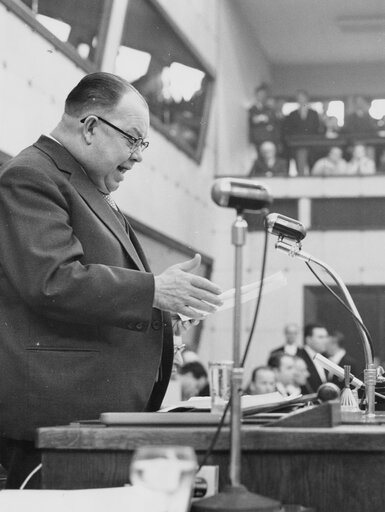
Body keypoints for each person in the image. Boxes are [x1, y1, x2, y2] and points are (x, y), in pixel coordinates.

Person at [0, 72, 223, 488]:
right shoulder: (30, 176)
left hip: (90, 419)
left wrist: (162, 314)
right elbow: (53, 280)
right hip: (56, 423)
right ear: (89, 127)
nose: (139, 156)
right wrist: (155, 290)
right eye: (133, 140)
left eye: (143, 145)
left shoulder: (87, 185)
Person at [283, 90, 322, 175]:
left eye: (303, 98)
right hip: (298, 145)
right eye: (299, 98)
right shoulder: (292, 114)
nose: (301, 100)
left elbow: (317, 129)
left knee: (313, 167)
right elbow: (289, 130)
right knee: (300, 168)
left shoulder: (314, 114)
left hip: (312, 145)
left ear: (307, 99)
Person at [296, 323, 329, 394]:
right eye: (321, 337)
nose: (325, 341)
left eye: (326, 337)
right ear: (308, 339)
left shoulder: (325, 358)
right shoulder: (299, 358)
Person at [248, 83, 279, 150]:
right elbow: (254, 120)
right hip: (257, 138)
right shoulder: (252, 109)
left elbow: (272, 121)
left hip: (268, 138)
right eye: (259, 95)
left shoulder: (269, 109)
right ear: (256, 95)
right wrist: (263, 118)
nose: (261, 97)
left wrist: (262, 118)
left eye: (263, 95)